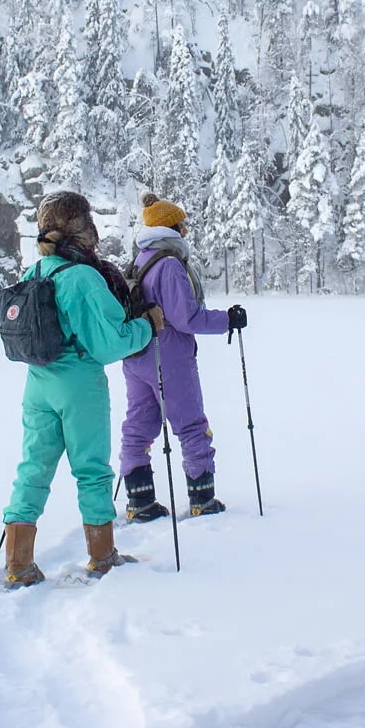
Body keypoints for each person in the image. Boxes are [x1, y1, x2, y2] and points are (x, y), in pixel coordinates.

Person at [1, 191, 165, 588]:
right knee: (92, 470)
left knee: (32, 469)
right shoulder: (83, 278)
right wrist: (149, 325)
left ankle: (18, 563)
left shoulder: (35, 272)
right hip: (79, 385)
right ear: (82, 229)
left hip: (38, 384)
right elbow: (109, 343)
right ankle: (102, 556)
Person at [119, 193, 249, 520]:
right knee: (191, 425)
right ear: (171, 227)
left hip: (136, 355)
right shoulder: (170, 264)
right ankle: (202, 499)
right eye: (183, 224)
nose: (187, 230)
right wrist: (228, 320)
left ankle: (140, 501)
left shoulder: (140, 259)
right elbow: (185, 318)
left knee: (138, 426)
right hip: (170, 356)